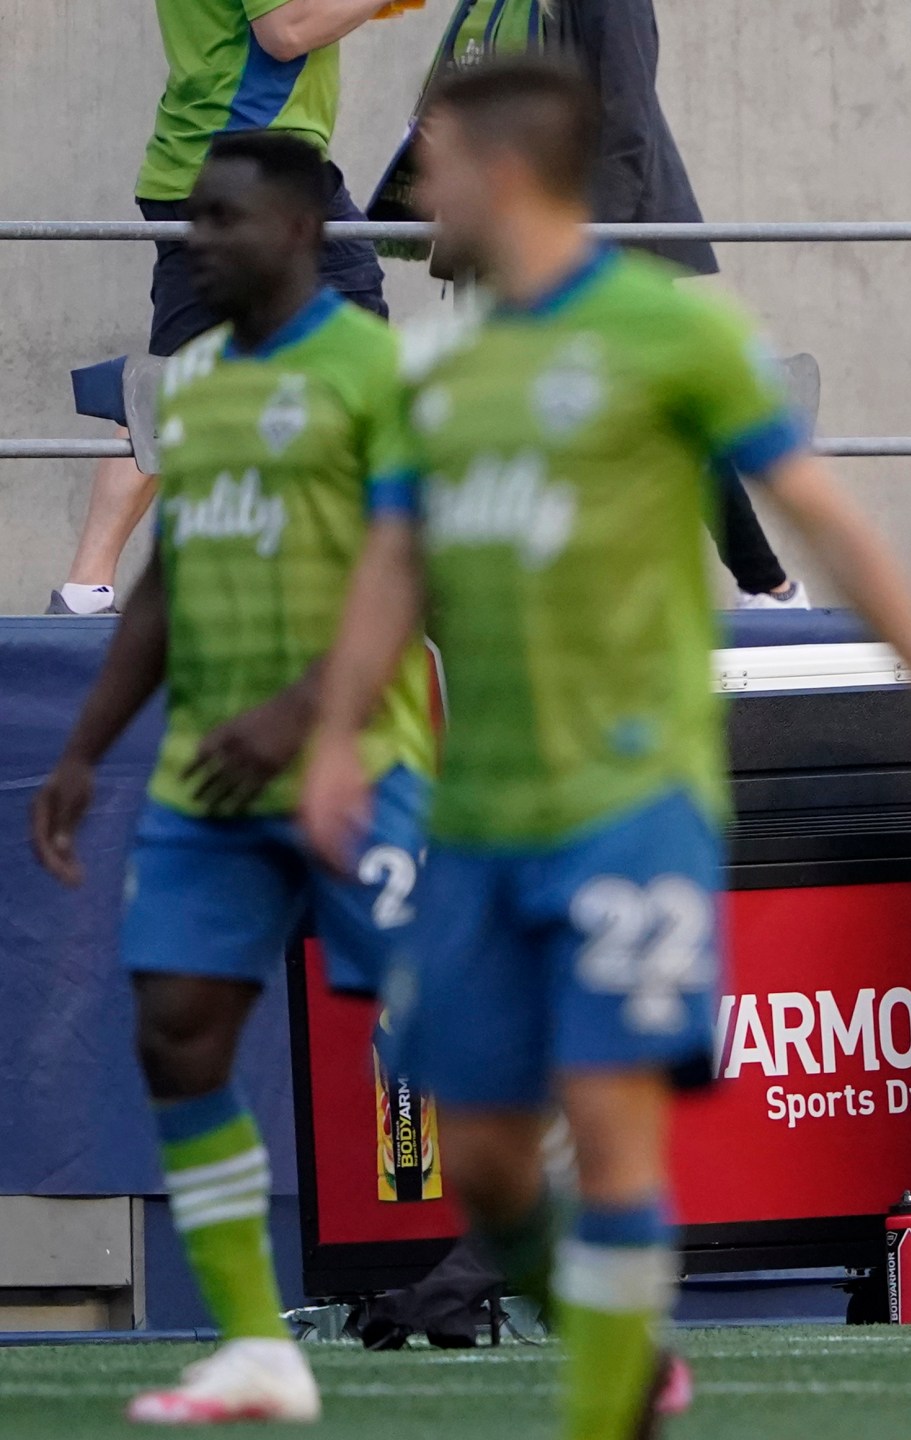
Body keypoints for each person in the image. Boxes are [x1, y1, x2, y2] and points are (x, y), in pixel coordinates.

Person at [293, 61, 911, 1439]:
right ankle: (612, 1337)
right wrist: (336, 737)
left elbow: (820, 514)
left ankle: (610, 1406)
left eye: (430, 166)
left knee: (613, 1119)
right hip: (480, 817)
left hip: (629, 804)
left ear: (501, 174)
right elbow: (394, 560)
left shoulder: (667, 334)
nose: (413, 201)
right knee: (492, 1168)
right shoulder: (439, 367)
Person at [27, 131, 434, 1423]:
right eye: (191, 219)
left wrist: (304, 710)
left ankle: (599, 1291)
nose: (197, 241)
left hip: (359, 770)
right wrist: (86, 746)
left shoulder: (379, 376)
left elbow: (415, 569)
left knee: (452, 1047)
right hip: (213, 786)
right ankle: (258, 1346)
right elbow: (168, 580)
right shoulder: (192, 381)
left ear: (306, 233)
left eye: (226, 221)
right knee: (177, 1031)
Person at [372, 0, 805, 610]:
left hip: (591, 239)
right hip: (509, 240)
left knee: (664, 417)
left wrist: (581, 256)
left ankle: (769, 586)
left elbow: (627, 121)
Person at [56, 0, 400, 617]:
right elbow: (285, 31)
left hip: (213, 160)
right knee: (354, 344)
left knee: (177, 377)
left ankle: (87, 585)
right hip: (249, 162)